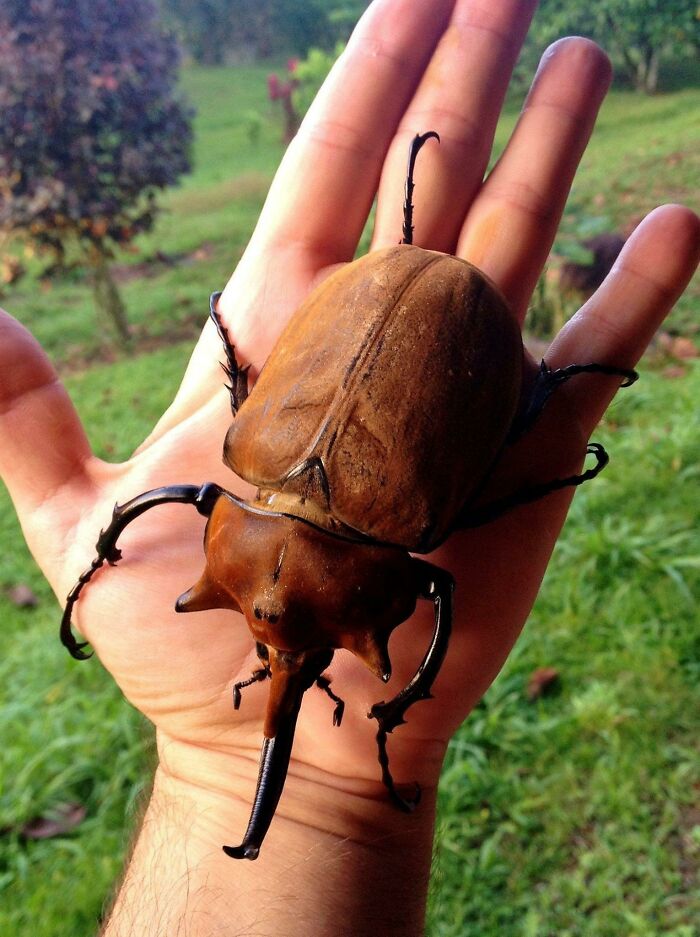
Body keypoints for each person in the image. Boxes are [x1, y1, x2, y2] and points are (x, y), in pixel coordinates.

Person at [1, 1, 697, 934]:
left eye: (265, 629)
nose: (284, 647)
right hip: (397, 315)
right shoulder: (253, 457)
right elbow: (189, 500)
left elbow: (433, 602)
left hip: (403, 313)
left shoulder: (389, 515)